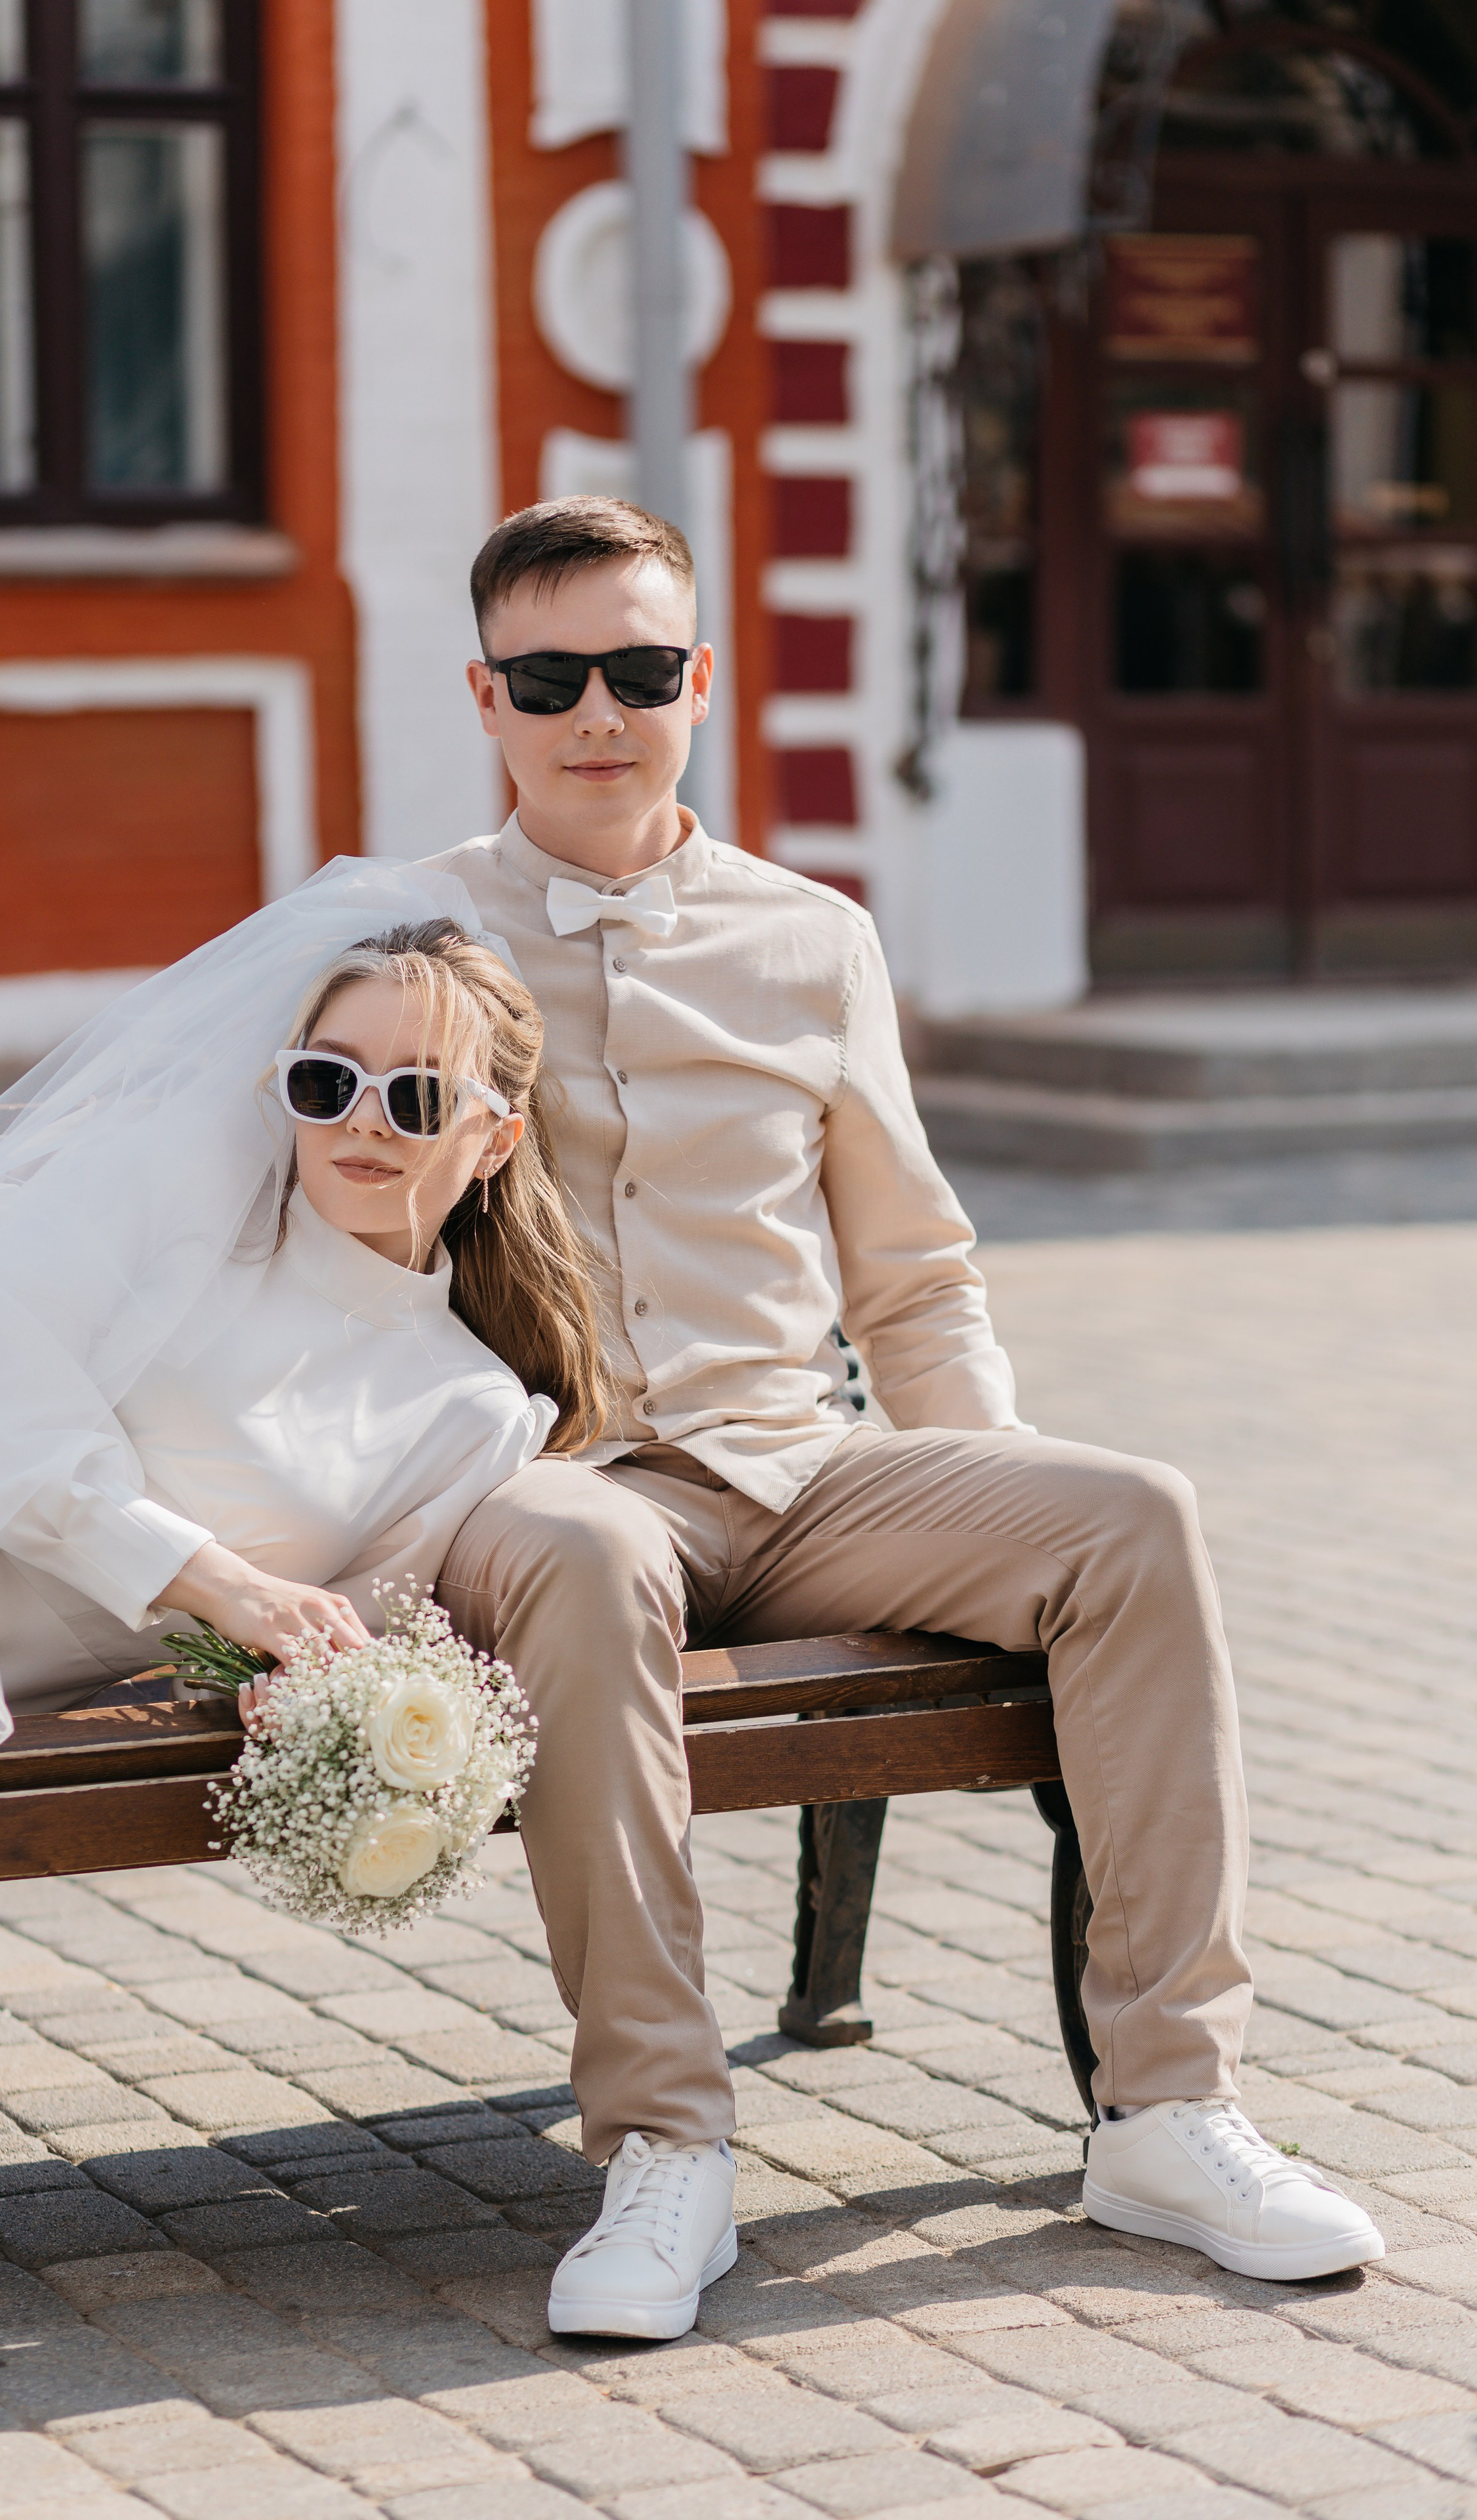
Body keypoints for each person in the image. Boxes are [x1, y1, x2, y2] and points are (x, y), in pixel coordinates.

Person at [424, 495, 1385, 2343]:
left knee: (1131, 1511)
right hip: (565, 1480)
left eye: (638, 670)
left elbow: (915, 1276)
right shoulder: (408, 937)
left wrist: (988, 1495)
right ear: (487, 697)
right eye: (549, 680)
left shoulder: (817, 941)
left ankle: (1166, 2114)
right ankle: (666, 2143)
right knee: (577, 1543)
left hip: (801, 1470)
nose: (598, 712)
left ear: (700, 681)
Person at [0, 865, 604, 1788]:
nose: (364, 1121)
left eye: (417, 1096)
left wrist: (291, 1687)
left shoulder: (473, 1414)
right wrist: (229, 1586)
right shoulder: (182, 1195)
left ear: (497, 1140)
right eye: (327, 1081)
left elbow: (334, 1648)